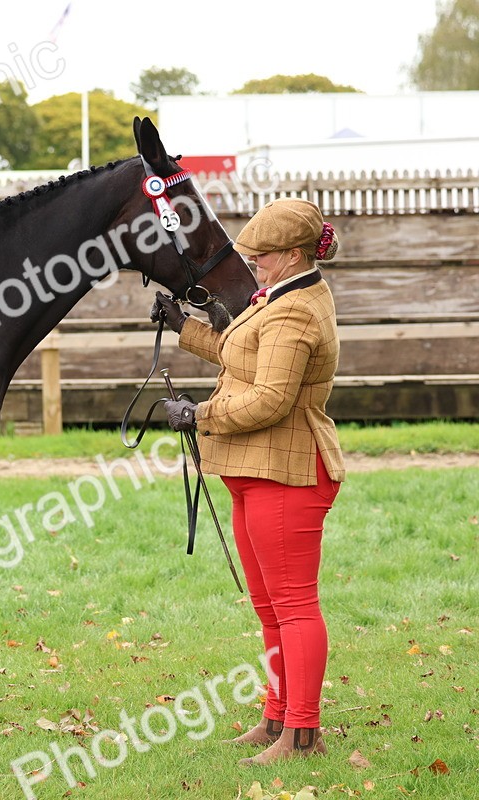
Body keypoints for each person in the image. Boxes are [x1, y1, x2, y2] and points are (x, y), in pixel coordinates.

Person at [151, 199, 345, 767]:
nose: (252, 263)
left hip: (287, 471)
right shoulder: (282, 297)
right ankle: (278, 717)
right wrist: (184, 328)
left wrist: (199, 415)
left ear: (292, 256)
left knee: (294, 605)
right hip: (255, 469)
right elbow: (244, 359)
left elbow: (271, 398)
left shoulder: (297, 313)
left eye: (261, 256)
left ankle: (303, 734)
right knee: (270, 606)